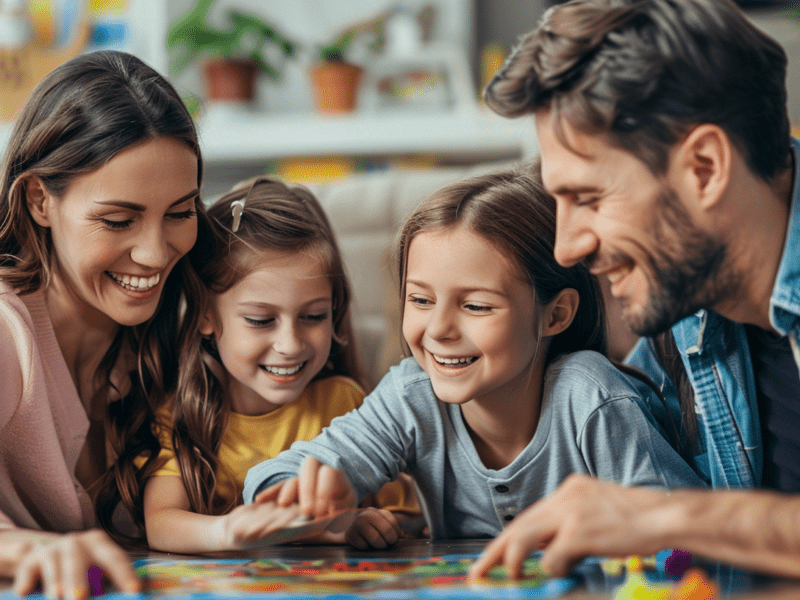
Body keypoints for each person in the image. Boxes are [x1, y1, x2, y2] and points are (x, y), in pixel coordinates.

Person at [471, 0, 800, 580]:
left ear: (703, 167)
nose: (566, 248)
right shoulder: (688, 300)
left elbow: (651, 513)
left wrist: (670, 518)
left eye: (589, 199)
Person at [243, 167, 703, 545]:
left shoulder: (591, 397)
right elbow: (272, 476)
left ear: (555, 315)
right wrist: (304, 495)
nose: (439, 330)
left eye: (476, 306)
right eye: (420, 301)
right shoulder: (411, 396)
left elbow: (684, 528)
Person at [0, 50, 212, 599]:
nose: (155, 252)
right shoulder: (6, 330)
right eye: (118, 220)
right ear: (39, 201)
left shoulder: (179, 327)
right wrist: (29, 547)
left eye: (181, 213)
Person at [142, 176, 422, 553]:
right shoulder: (181, 417)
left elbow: (410, 513)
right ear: (206, 316)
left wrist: (362, 524)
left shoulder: (343, 404)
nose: (290, 345)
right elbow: (161, 523)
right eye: (260, 320)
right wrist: (230, 531)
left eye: (314, 316)